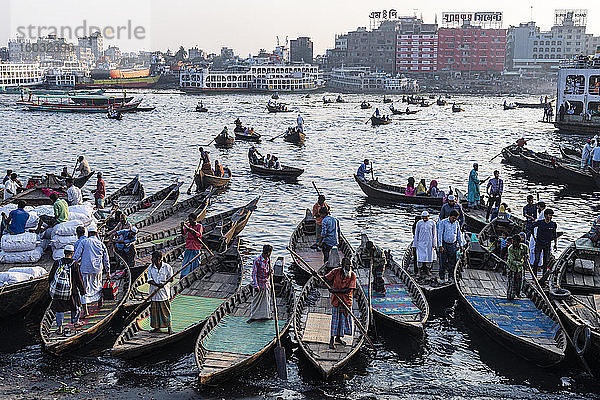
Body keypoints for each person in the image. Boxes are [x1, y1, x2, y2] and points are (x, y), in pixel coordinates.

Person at [48, 245, 86, 334]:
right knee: (75, 307)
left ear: (64, 252)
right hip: (72, 291)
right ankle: (76, 322)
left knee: (59, 309)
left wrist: (53, 287)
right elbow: (79, 279)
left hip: (59, 291)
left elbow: (51, 276)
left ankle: (60, 328)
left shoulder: (57, 262)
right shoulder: (75, 264)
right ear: (72, 253)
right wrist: (82, 290)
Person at [74, 227, 110, 317]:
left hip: (85, 269)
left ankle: (86, 311)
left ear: (88, 233)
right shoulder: (101, 244)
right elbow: (106, 259)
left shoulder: (84, 242)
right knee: (98, 285)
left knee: (84, 289)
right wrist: (108, 271)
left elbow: (76, 256)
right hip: (98, 270)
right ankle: (99, 303)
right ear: (96, 233)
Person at [323, 257, 356, 350]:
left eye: (349, 265)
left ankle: (339, 338)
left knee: (343, 321)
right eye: (346, 265)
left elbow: (349, 290)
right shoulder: (335, 272)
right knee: (335, 321)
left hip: (346, 301)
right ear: (342, 266)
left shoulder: (352, 275)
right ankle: (331, 340)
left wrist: (335, 290)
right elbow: (326, 278)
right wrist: (317, 276)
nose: (348, 267)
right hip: (336, 301)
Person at [148, 251, 173, 334]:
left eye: (153, 258)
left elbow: (171, 278)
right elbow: (149, 280)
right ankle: (156, 327)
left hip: (164, 294)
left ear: (158, 258)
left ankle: (169, 328)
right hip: (154, 293)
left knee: (165, 311)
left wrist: (164, 283)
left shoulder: (167, 267)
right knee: (155, 312)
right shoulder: (150, 268)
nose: (151, 259)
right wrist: (157, 285)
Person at [247, 245, 273, 323]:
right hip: (259, 284)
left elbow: (267, 272)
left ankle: (266, 316)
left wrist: (270, 272)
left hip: (266, 283)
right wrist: (256, 285)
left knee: (266, 300)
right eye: (270, 252)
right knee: (256, 301)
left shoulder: (268, 260)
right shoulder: (257, 260)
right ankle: (254, 316)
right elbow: (254, 274)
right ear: (268, 252)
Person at [437, 210, 464, 284]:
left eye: (455, 218)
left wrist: (461, 245)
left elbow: (459, 234)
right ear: (450, 216)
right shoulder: (443, 222)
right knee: (443, 262)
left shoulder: (457, 223)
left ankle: (450, 277)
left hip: (453, 245)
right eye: (453, 218)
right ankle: (442, 277)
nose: (454, 220)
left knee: (452, 262)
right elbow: (440, 234)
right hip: (444, 245)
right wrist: (440, 245)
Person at [531, 208, 558, 277]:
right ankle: (534, 275)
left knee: (546, 261)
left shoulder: (553, 224)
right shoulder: (540, 222)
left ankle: (544, 276)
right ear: (545, 215)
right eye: (549, 215)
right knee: (536, 260)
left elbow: (555, 235)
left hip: (547, 245)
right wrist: (534, 237)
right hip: (539, 244)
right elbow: (532, 227)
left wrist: (555, 244)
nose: (551, 217)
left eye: (552, 215)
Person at [412, 211, 437, 278]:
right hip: (420, 243)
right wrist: (414, 245)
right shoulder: (419, 223)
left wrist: (434, 244)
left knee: (429, 258)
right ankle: (419, 271)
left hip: (429, 243)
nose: (424, 218)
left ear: (428, 216)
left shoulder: (432, 223)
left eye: (426, 217)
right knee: (420, 258)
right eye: (423, 217)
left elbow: (434, 234)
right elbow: (416, 234)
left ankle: (428, 270)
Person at [506, 234, 528, 301]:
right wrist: (522, 264)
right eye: (512, 241)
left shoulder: (525, 247)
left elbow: (526, 255)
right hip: (511, 267)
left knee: (519, 282)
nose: (513, 243)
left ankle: (518, 294)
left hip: (519, 268)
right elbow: (512, 260)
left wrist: (526, 260)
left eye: (514, 242)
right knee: (511, 282)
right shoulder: (510, 248)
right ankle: (509, 295)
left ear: (518, 242)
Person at [181, 213, 203, 277]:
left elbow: (199, 235)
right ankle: (184, 276)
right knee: (186, 263)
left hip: (196, 246)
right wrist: (182, 226)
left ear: (195, 219)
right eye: (189, 219)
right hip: (189, 246)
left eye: (191, 220)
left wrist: (191, 230)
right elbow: (183, 233)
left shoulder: (199, 226)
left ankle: (195, 275)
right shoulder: (188, 225)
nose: (189, 221)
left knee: (196, 263)